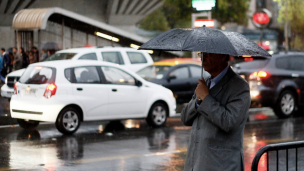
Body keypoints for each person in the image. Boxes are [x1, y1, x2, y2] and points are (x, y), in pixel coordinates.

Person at [181, 52, 251, 171]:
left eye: (208, 54)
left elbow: (229, 122)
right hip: (196, 164)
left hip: (222, 166)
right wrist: (198, 99)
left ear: (223, 56)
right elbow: (185, 118)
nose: (203, 58)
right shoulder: (206, 83)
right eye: (201, 53)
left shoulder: (239, 87)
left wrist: (206, 98)